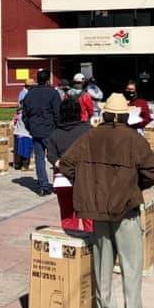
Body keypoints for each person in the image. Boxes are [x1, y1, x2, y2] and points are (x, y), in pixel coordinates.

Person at [60, 93, 154, 308]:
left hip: (96, 212)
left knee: (102, 267)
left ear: (104, 114)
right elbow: (153, 169)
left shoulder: (89, 137)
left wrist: (86, 185)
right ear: (125, 115)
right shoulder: (132, 139)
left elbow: (66, 165)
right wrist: (135, 185)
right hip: (125, 210)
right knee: (131, 269)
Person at [46, 98, 93, 232]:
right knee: (88, 215)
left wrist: (60, 164)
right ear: (79, 112)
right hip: (86, 178)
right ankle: (90, 246)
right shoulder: (89, 130)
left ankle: (71, 245)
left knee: (67, 214)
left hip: (63, 179)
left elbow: (50, 155)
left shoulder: (55, 133)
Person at [21, 70, 61, 196]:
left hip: (36, 130)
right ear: (48, 80)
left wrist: (30, 127)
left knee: (39, 158)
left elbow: (24, 115)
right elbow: (57, 113)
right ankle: (58, 183)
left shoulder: (29, 95)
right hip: (50, 130)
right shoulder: (53, 93)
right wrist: (58, 127)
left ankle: (43, 185)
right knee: (56, 157)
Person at [13, 79, 35, 171]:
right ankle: (24, 165)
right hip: (24, 119)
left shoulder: (22, 92)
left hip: (21, 119)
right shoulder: (26, 94)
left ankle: (18, 163)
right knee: (26, 142)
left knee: (20, 142)